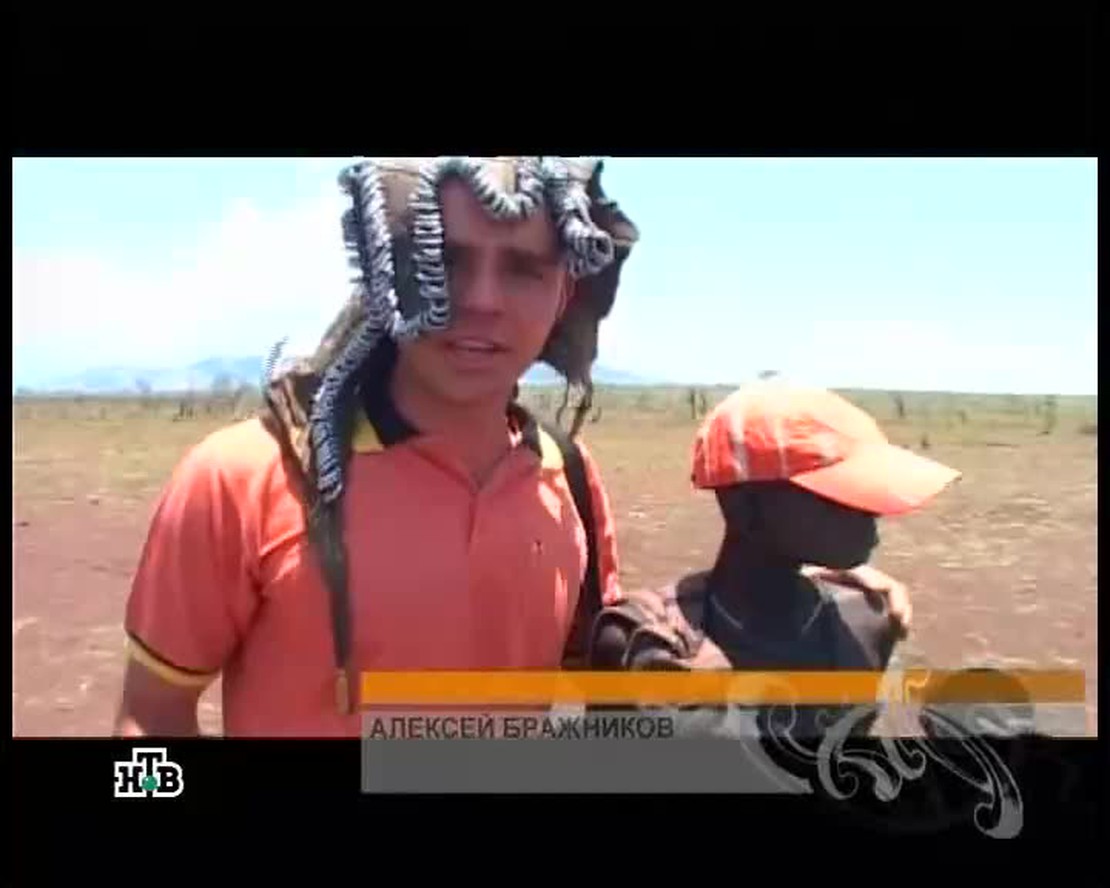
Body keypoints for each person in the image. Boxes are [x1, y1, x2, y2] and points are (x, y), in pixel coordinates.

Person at [114, 157, 640, 737]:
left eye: (523, 268)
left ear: (564, 295)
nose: (482, 300)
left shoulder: (569, 481)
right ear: (388, 271)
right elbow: (147, 720)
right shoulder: (245, 479)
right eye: (445, 259)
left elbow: (601, 693)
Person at [589, 379, 961, 739]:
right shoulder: (638, 639)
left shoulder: (868, 621)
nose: (870, 509)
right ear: (744, 506)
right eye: (838, 491)